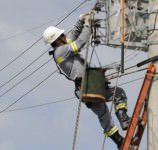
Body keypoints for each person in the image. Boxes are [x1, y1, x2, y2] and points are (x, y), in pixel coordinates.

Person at [43, 13, 130, 149]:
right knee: (118, 93)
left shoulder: (62, 47)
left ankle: (119, 141)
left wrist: (81, 20)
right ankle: (124, 118)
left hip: (84, 88)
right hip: (89, 86)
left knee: (103, 115)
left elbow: (73, 35)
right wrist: (88, 25)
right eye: (62, 36)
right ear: (58, 39)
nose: (65, 36)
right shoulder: (60, 51)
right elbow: (79, 43)